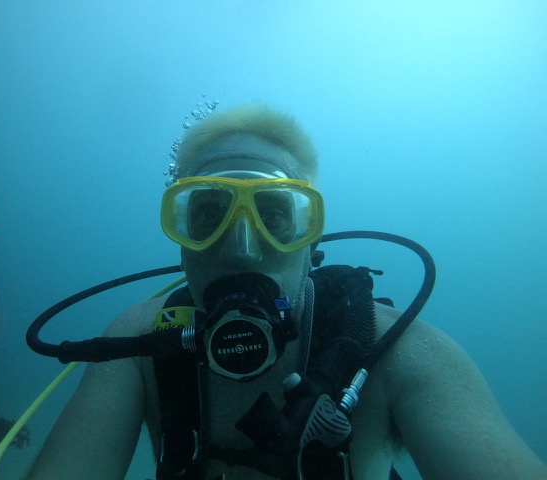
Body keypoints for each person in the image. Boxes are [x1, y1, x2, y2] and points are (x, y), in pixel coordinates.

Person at [27, 104, 547, 480]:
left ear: (312, 237)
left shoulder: (397, 352)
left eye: (277, 216)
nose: (243, 251)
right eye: (207, 215)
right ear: (180, 237)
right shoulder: (138, 344)